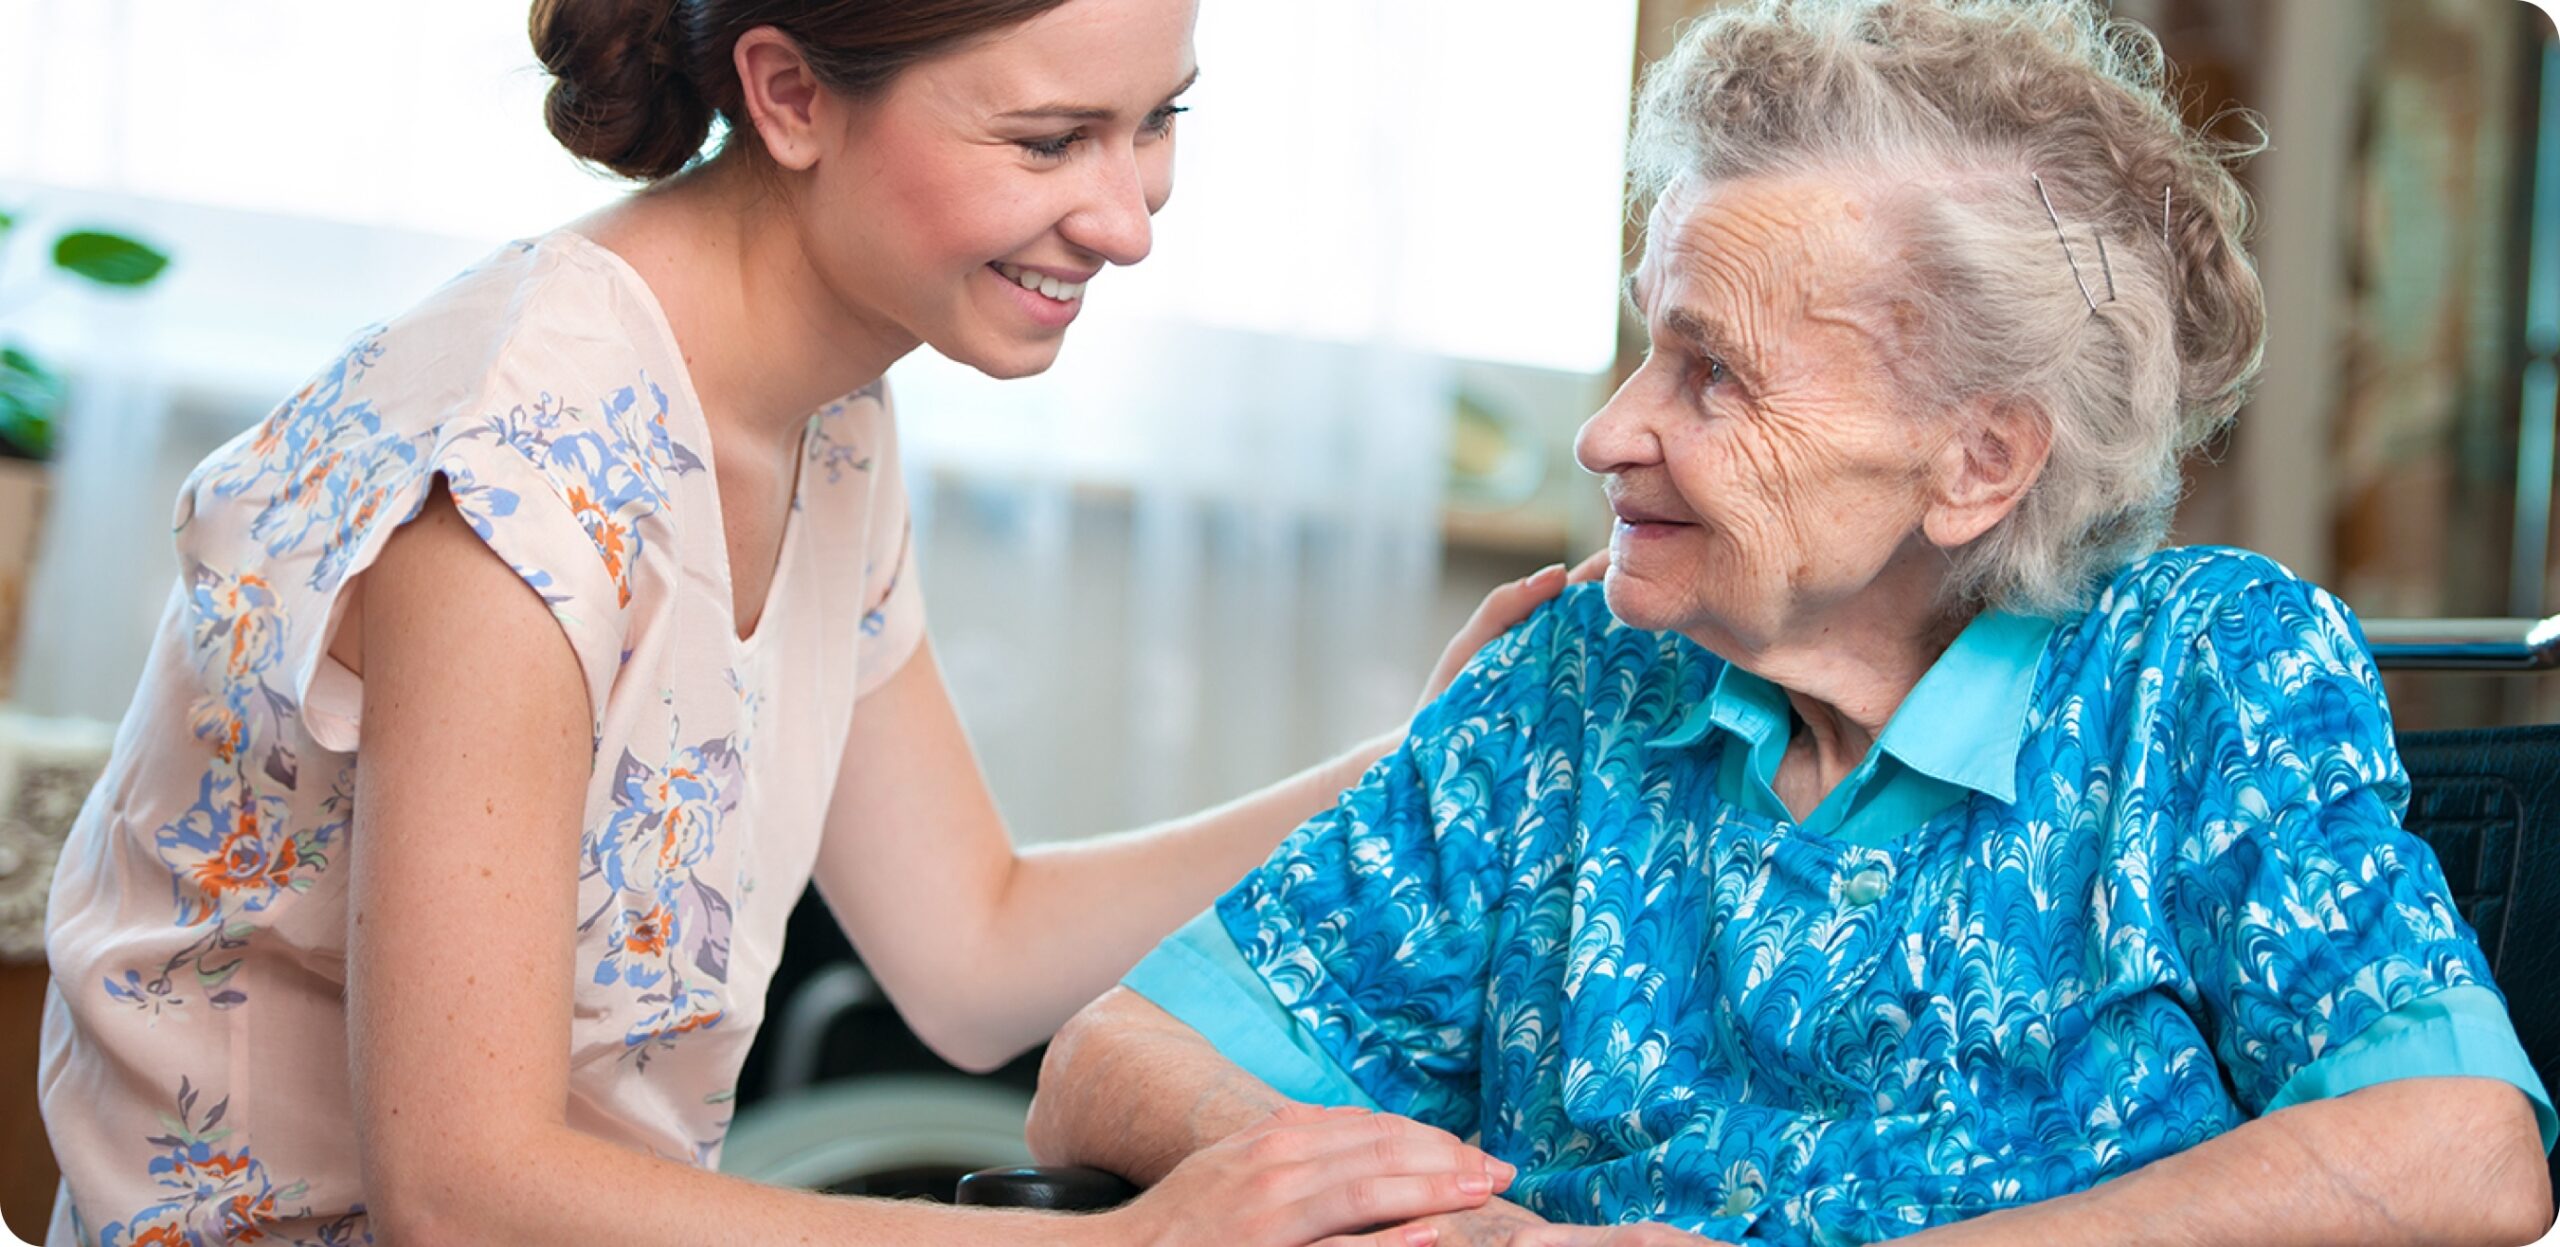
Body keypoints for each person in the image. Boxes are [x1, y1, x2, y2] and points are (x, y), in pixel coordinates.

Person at [1027, 1, 2560, 1243]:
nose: (1609, 433)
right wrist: (1459, 1226)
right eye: (1648, 345)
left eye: (1713, 372)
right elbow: (1110, 1070)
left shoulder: (2200, 672)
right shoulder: (1579, 680)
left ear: (1979, 461)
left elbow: (2458, 1146)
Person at [36, 1, 1549, 1242]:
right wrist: (1119, 1244)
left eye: (1159, 122)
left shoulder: (822, 418)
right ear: (790, 95)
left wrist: (1422, 759)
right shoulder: (515, 473)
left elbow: (974, 951)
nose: (1128, 216)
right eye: (1047, 141)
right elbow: (464, 1194)